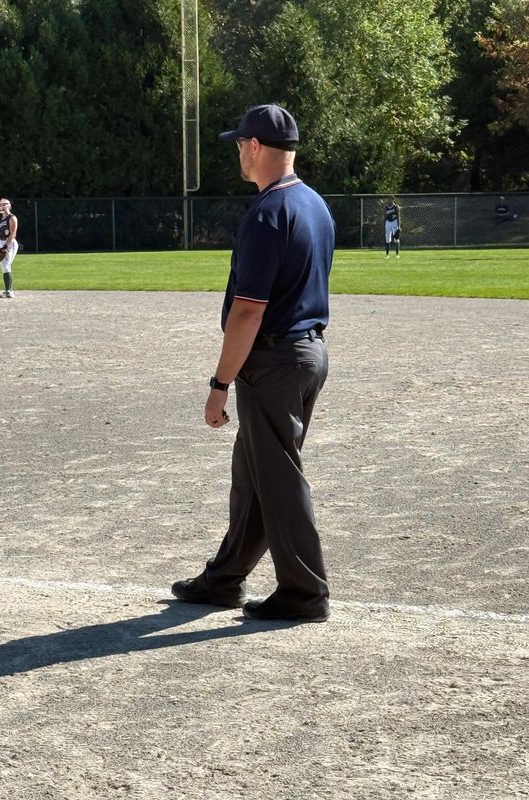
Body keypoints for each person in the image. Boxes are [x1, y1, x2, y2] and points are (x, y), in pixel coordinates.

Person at [171, 104, 335, 623]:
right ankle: (224, 579)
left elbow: (247, 311)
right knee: (255, 473)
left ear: (256, 146)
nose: (239, 151)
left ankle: (304, 593)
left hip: (273, 361)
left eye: (241, 143)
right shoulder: (314, 204)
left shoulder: (268, 213)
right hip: (305, 354)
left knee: (278, 477)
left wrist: (220, 383)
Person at [0, 198, 18, 298]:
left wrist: (5, 246)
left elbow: (13, 234)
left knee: (6, 266)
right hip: (1, 242)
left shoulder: (12, 217)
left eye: (3, 204)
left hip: (10, 243)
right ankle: (7, 291)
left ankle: (9, 291)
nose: (1, 206)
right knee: (4, 267)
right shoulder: (1, 220)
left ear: (8, 205)